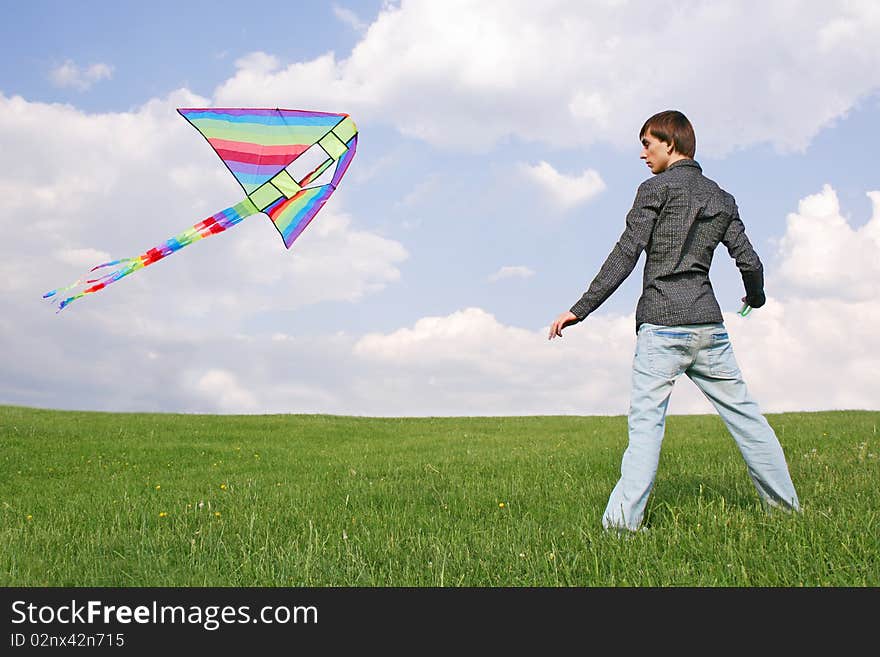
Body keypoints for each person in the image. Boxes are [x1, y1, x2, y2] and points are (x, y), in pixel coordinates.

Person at [548, 110, 800, 533]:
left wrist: (581, 308)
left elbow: (625, 254)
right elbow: (750, 262)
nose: (643, 154)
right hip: (708, 327)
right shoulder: (721, 197)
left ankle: (622, 527)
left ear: (670, 142)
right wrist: (754, 298)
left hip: (662, 326)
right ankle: (787, 512)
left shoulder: (654, 190)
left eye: (647, 144)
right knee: (747, 418)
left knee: (646, 428)